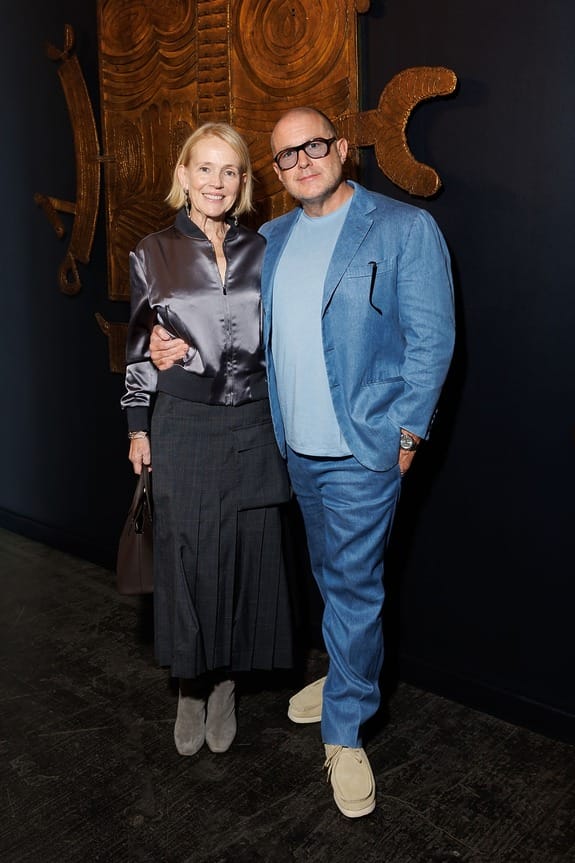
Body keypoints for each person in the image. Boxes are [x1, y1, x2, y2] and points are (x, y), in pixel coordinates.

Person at [149, 107, 455, 818]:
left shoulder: (404, 229)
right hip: (291, 447)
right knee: (327, 573)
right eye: (286, 156)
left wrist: (406, 435)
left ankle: (345, 731)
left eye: (314, 146)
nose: (302, 161)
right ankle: (350, 673)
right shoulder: (272, 239)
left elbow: (431, 343)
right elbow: (226, 326)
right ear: (278, 173)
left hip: (361, 450)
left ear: (341, 149)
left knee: (352, 584)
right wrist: (165, 346)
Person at [121, 122, 294, 760]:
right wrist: (137, 426)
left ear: (243, 181)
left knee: (249, 557)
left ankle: (225, 685)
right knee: (190, 558)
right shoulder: (152, 251)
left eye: (230, 171)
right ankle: (191, 687)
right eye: (205, 169)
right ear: (185, 176)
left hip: (253, 422)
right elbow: (140, 350)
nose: (217, 182)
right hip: (185, 422)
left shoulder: (266, 249)